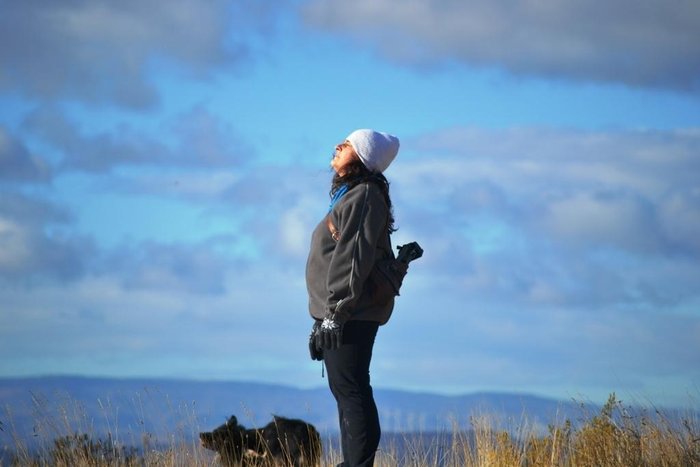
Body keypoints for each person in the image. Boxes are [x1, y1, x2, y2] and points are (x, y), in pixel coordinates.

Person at [306, 129, 400, 467]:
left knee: (351, 391)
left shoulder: (363, 195)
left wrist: (335, 314)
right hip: (345, 312)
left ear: (362, 157)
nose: (337, 146)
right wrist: (323, 319)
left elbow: (351, 258)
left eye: (346, 144)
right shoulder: (352, 195)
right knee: (348, 391)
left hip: (351, 313)